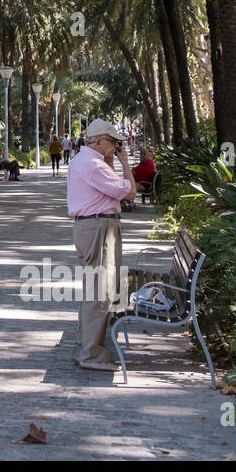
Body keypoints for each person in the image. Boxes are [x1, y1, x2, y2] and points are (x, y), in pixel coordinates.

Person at [65, 119, 136, 371]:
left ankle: (86, 347)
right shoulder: (93, 165)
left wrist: (112, 160)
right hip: (98, 229)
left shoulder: (85, 161)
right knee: (100, 291)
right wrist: (125, 164)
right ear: (98, 141)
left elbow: (112, 185)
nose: (116, 148)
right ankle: (91, 355)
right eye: (113, 143)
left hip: (91, 227)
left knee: (93, 289)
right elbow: (129, 192)